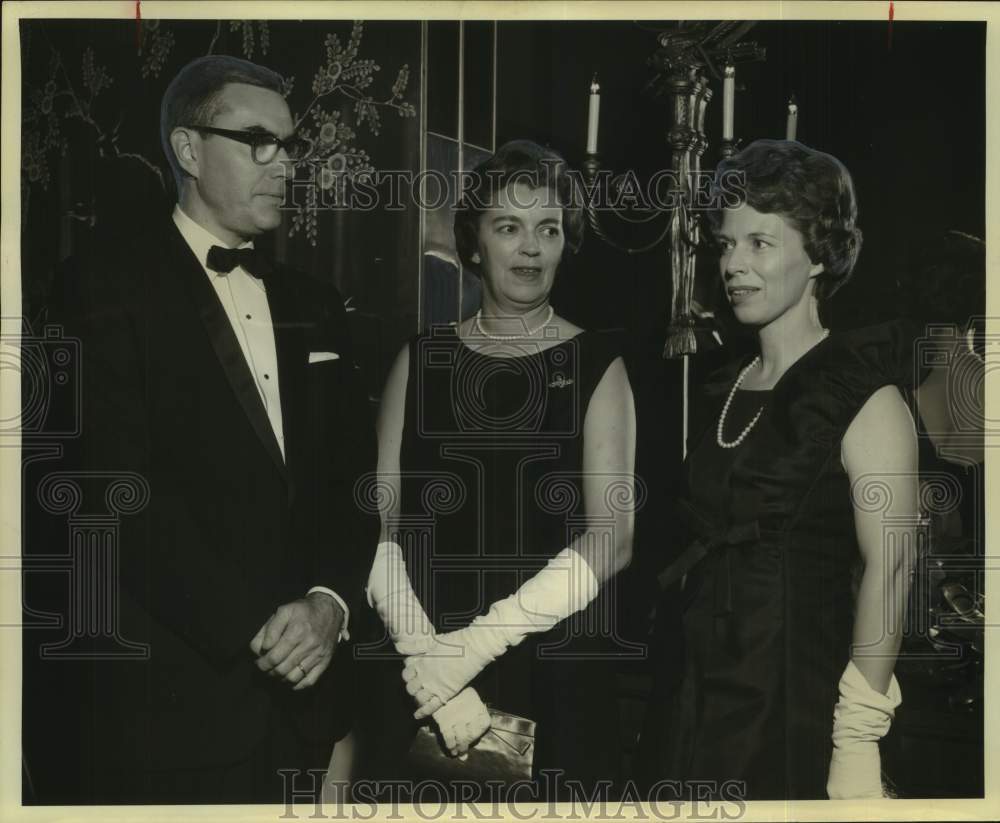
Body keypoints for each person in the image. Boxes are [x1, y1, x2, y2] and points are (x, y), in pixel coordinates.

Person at [28, 55, 379, 804]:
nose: (284, 163)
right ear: (189, 150)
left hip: (304, 714)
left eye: (289, 145)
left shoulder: (316, 302)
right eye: (258, 141)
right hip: (168, 712)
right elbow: (110, 491)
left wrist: (329, 603)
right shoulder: (98, 285)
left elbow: (352, 482)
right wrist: (263, 629)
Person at [638, 139, 919, 800]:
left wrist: (857, 740)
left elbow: (893, 567)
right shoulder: (723, 384)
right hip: (693, 692)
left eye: (759, 243)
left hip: (791, 700)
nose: (733, 265)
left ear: (819, 253)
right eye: (726, 244)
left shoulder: (866, 396)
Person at [361, 140, 638, 796]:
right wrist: (429, 659)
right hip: (420, 667)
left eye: (549, 229)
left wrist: (472, 649)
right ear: (474, 242)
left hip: (553, 671)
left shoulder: (598, 365)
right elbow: (378, 523)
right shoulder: (419, 360)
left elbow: (613, 538)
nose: (531, 248)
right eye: (509, 227)